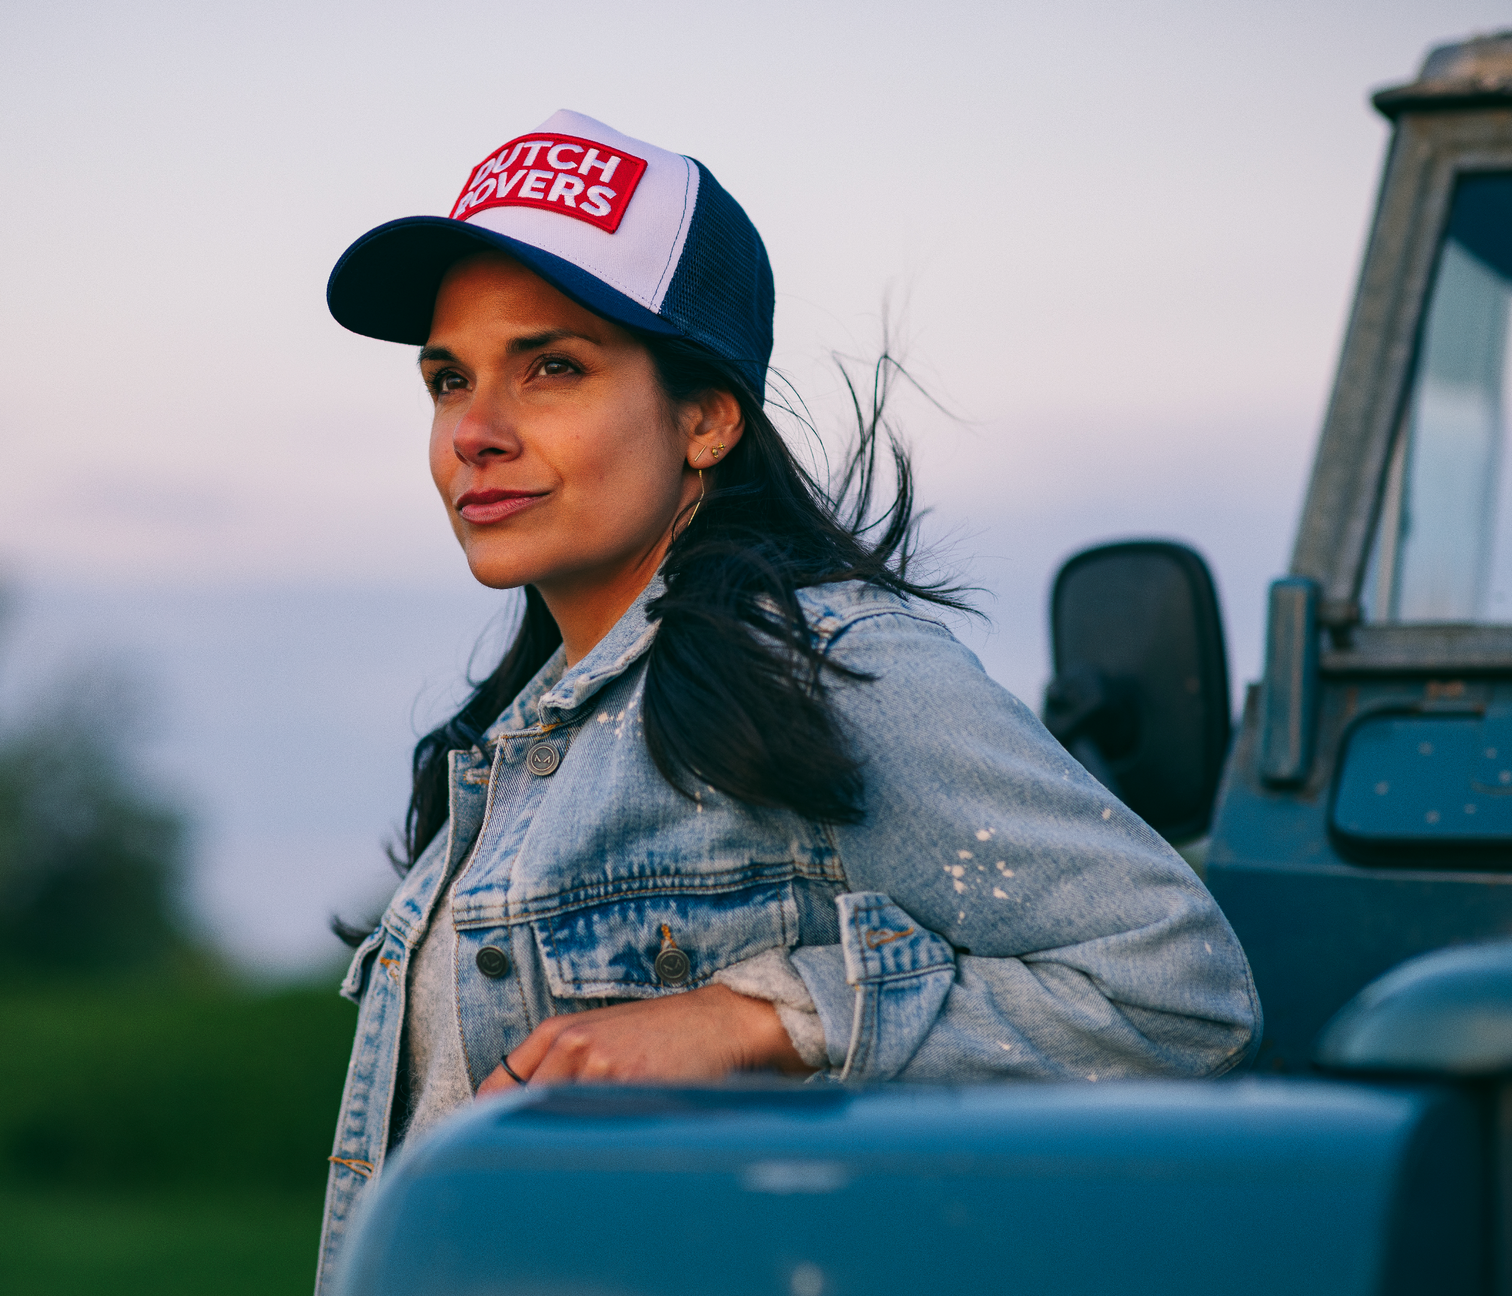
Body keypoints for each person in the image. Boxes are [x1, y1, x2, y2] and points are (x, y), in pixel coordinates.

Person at [314, 110, 1260, 1290]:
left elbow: (1176, 991)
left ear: (706, 417)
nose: (475, 433)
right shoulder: (508, 749)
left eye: (552, 366)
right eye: (448, 379)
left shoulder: (826, 671)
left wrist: (757, 1019)